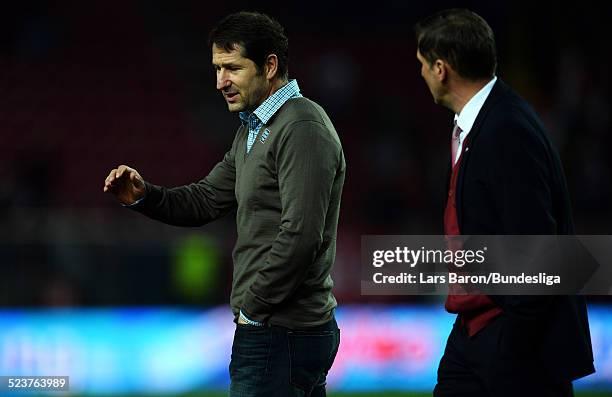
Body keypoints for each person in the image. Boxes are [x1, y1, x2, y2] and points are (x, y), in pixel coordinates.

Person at [103, 11, 344, 397]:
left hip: (281, 330)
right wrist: (145, 195)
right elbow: (205, 199)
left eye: (232, 68)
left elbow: (301, 235)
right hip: (278, 329)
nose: (220, 82)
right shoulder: (255, 129)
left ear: (269, 66)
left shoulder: (301, 127)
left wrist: (254, 309)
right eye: (217, 69)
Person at [414, 8, 594, 397]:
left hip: (513, 336)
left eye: (423, 65)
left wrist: (515, 342)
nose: (422, 74)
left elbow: (536, 248)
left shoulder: (506, 130)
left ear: (441, 68)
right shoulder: (480, 121)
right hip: (475, 328)